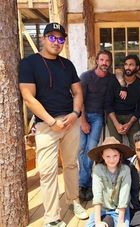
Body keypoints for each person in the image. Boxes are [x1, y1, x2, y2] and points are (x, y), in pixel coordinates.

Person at [19, 22, 88, 227]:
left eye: (60, 39)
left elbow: (77, 92)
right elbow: (28, 98)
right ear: (43, 38)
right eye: (52, 37)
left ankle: (74, 201)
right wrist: (51, 121)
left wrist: (76, 114)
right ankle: (51, 217)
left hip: (70, 122)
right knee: (48, 171)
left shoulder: (67, 65)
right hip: (45, 125)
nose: (57, 42)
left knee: (71, 164)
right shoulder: (29, 63)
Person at [78, 50, 113, 201]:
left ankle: (83, 184)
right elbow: (78, 99)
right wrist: (83, 120)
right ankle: (85, 183)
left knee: (90, 150)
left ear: (110, 63)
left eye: (107, 60)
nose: (104, 63)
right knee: (81, 150)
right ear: (97, 61)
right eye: (102, 60)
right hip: (83, 116)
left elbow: (119, 91)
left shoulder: (111, 79)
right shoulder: (86, 77)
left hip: (98, 117)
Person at [86, 137, 135, 227]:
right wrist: (98, 222)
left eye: (115, 156)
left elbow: (124, 196)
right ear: (102, 156)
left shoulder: (125, 170)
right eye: (108, 156)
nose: (112, 160)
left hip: (119, 209)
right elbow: (97, 195)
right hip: (102, 208)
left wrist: (120, 222)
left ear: (120, 155)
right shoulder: (98, 169)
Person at [105, 54, 140, 148]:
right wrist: (116, 124)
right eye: (126, 64)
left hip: (130, 116)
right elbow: (108, 104)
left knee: (137, 145)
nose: (128, 67)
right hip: (114, 116)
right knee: (115, 146)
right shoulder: (114, 81)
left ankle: (133, 163)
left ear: (137, 67)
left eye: (131, 65)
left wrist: (129, 124)